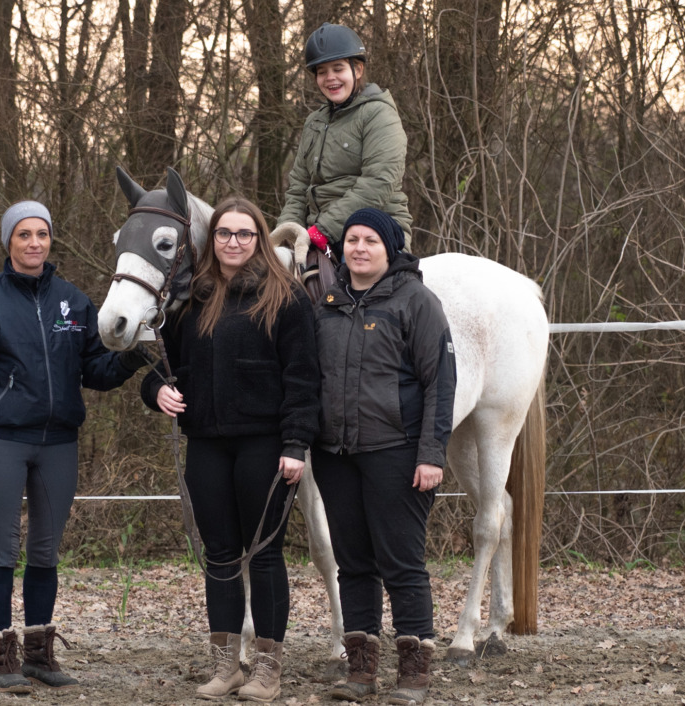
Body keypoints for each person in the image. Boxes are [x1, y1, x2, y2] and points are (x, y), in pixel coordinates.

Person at [0, 200, 148, 693]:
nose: (34, 242)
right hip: (3, 440)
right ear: (9, 242)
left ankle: (39, 654)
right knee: (3, 551)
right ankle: (3, 656)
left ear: (50, 240)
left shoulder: (75, 302)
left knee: (44, 551)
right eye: (24, 234)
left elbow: (95, 372)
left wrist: (131, 358)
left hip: (59, 443)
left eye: (42, 234)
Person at [140, 197, 320, 703]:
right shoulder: (191, 301)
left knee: (263, 556)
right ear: (212, 239)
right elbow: (166, 367)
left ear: (259, 239)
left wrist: (296, 444)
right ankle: (226, 666)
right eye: (224, 233)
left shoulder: (285, 299)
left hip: (266, 446)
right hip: (207, 446)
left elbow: (304, 379)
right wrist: (156, 391)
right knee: (218, 557)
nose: (234, 242)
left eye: (244, 234)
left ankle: (268, 667)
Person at [311, 208, 456, 705]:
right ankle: (361, 671)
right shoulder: (326, 304)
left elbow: (441, 382)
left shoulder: (416, 301)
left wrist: (431, 453)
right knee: (352, 563)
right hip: (335, 454)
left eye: (371, 240)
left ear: (389, 248)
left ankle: (413, 674)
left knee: (402, 564)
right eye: (352, 239)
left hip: (397, 452)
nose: (359, 248)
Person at [276, 22, 414, 255]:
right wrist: (287, 233)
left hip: (373, 227)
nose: (330, 78)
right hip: (315, 234)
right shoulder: (314, 122)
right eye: (322, 72)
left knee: (344, 289)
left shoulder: (379, 115)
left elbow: (378, 182)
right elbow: (298, 186)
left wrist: (324, 230)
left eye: (338, 69)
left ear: (357, 70)